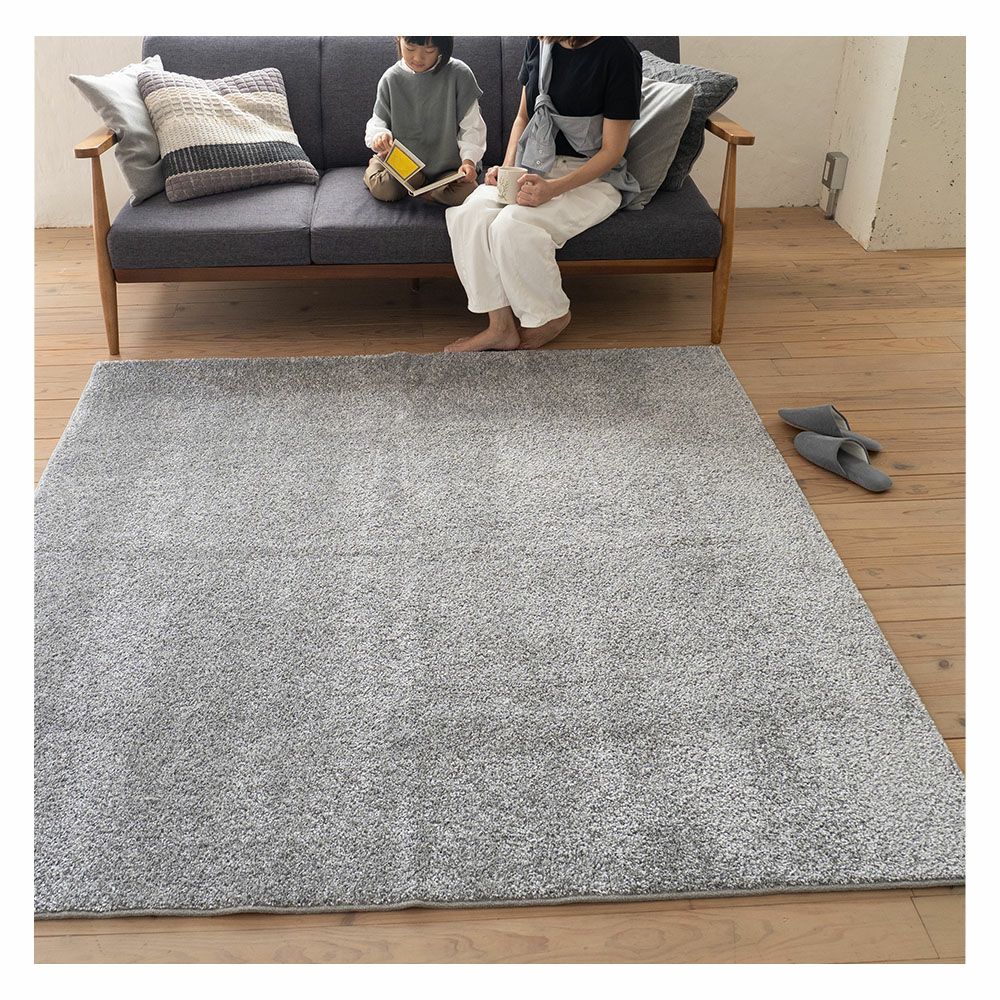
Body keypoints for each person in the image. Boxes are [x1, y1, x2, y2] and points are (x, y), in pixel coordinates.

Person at [444, 36, 642, 352]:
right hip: (534, 165)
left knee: (512, 224)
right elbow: (524, 117)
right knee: (471, 214)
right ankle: (500, 327)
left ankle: (550, 316)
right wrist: (506, 169)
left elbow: (612, 151)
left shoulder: (618, 54)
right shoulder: (541, 41)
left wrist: (552, 190)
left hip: (592, 178)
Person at [364, 37, 486, 207]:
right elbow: (378, 121)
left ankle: (428, 192)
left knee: (468, 192)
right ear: (399, 39)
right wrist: (380, 135)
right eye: (410, 48)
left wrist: (469, 162)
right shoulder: (391, 79)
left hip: (447, 168)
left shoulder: (460, 74)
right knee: (386, 189)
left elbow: (472, 126)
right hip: (406, 166)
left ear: (442, 47)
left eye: (429, 50)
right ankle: (378, 164)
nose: (418, 58)